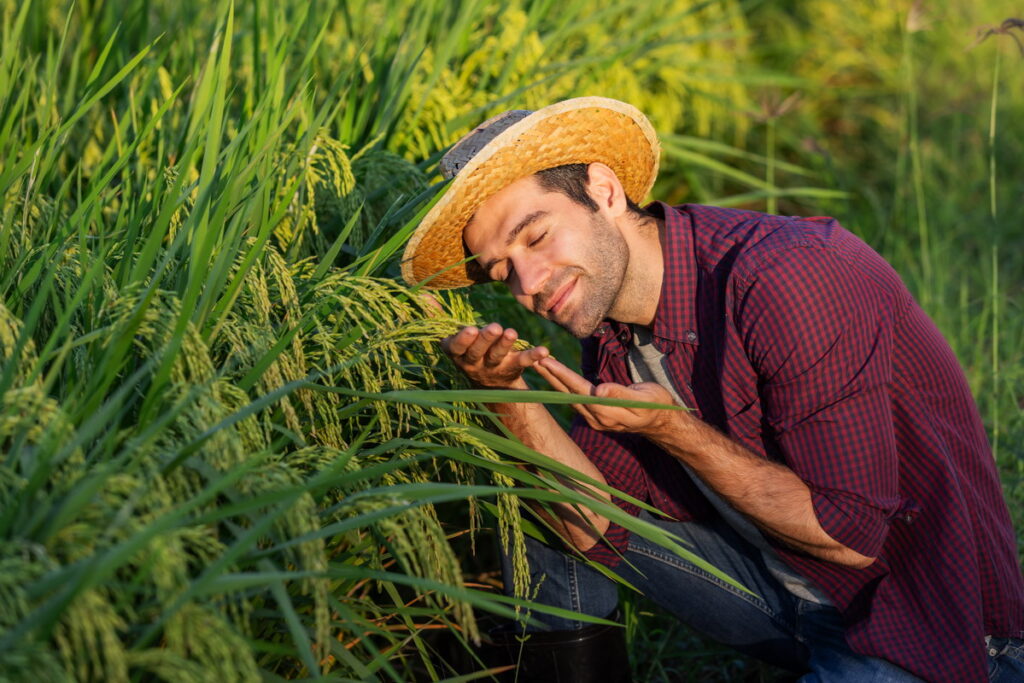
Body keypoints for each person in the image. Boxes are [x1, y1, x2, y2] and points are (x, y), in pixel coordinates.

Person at [400, 97, 1024, 681]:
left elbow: (852, 540)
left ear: (605, 190)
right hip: (783, 598)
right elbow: (589, 525)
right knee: (536, 497)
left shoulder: (788, 278)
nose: (528, 284)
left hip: (921, 622)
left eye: (535, 237)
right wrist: (510, 401)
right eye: (502, 271)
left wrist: (675, 431)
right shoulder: (614, 328)